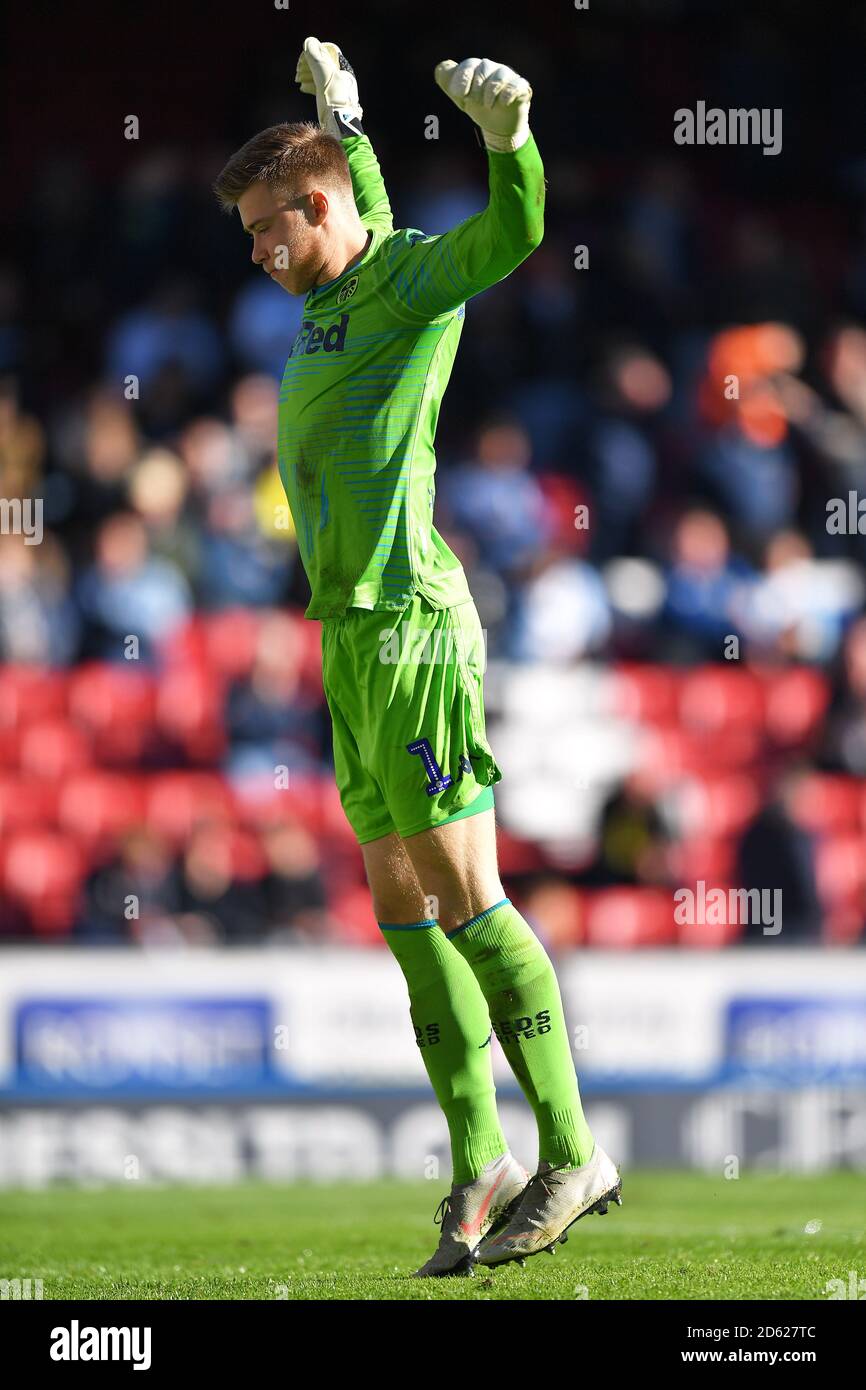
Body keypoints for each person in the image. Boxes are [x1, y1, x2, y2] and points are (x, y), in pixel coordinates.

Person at [212, 37, 620, 1276]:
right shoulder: (337, 287)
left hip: (412, 626)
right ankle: (475, 1159)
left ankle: (570, 1147)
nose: (256, 252)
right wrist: (346, 112)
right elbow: (366, 202)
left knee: (463, 897)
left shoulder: (400, 284)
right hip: (345, 635)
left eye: (266, 228)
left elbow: (509, 236)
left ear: (314, 204)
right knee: (403, 912)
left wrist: (510, 142)